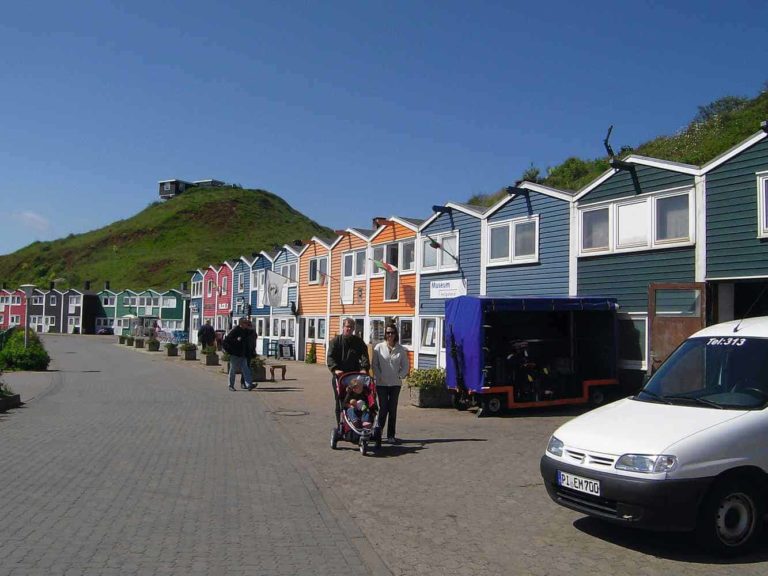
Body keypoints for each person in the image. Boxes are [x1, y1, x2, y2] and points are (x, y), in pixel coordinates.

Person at [327, 317, 370, 423]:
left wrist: (364, 368)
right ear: (343, 327)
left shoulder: (358, 342)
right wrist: (335, 369)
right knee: (340, 401)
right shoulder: (335, 341)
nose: (349, 329)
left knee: (359, 399)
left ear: (354, 329)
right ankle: (340, 424)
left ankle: (358, 420)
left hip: (354, 376)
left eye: (351, 327)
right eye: (347, 326)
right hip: (340, 376)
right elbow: (330, 357)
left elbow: (364, 355)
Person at [372, 323, 409, 444]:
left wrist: (400, 376)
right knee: (383, 408)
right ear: (385, 334)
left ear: (395, 334)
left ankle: (391, 435)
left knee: (392, 409)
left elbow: (405, 366)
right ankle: (378, 432)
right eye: (388, 332)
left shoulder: (400, 349)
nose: (390, 335)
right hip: (382, 384)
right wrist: (379, 376)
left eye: (392, 332)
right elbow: (375, 365)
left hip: (395, 384)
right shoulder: (379, 347)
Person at [223, 317, 255, 391]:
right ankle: (231, 385)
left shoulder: (246, 331)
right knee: (233, 370)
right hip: (235, 354)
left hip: (243, 354)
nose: (247, 324)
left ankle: (249, 384)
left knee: (246, 369)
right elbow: (227, 341)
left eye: (247, 323)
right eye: (245, 323)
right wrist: (236, 340)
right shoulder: (235, 330)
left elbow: (249, 340)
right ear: (241, 324)